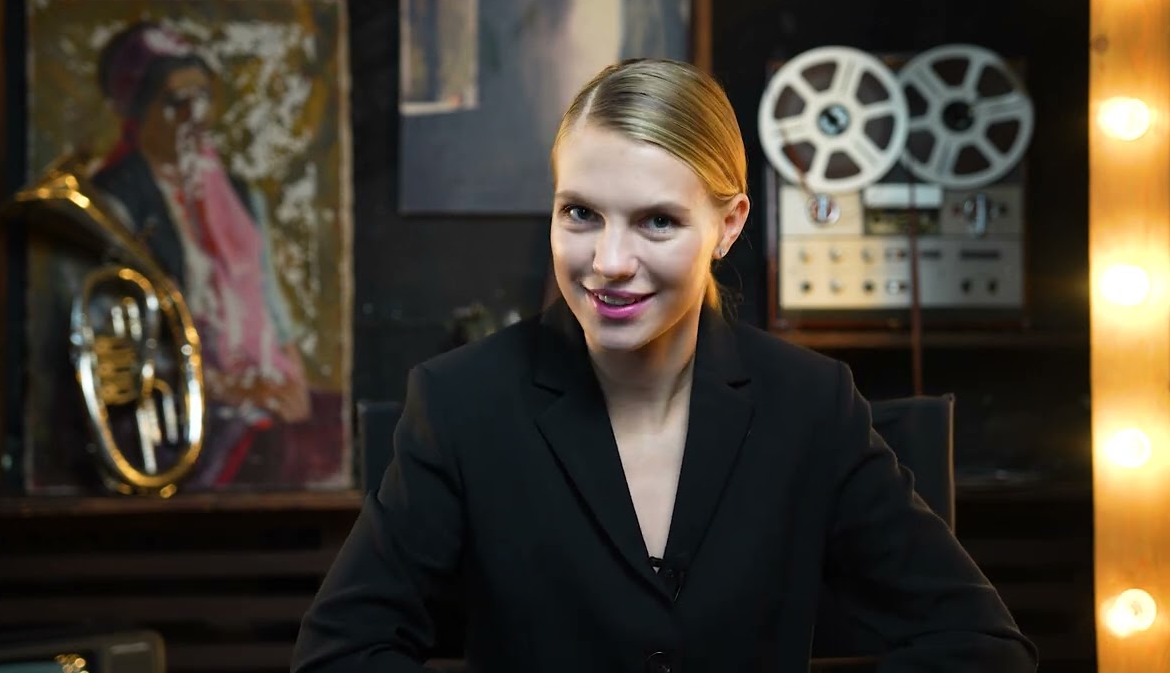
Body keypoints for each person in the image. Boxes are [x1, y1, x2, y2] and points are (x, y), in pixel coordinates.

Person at [291, 59, 1038, 671]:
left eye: (657, 221)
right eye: (580, 213)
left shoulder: (811, 402)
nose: (609, 262)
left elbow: (980, 644)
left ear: (728, 225)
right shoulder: (461, 404)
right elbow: (340, 653)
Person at [90, 21, 342, 488]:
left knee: (330, 433)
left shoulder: (242, 196)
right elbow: (120, 334)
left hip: (257, 381)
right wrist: (230, 388)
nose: (194, 115)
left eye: (202, 97)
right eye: (174, 102)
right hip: (179, 397)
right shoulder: (116, 201)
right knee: (273, 452)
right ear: (138, 111)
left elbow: (271, 304)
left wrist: (292, 382)